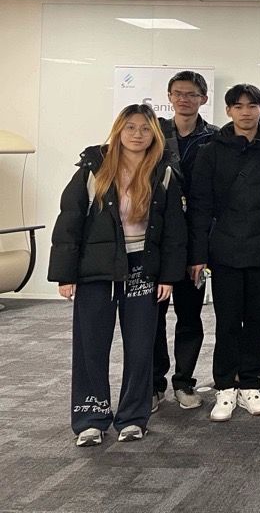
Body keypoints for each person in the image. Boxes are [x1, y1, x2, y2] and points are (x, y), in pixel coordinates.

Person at [50, 103, 187, 446]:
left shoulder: (164, 171)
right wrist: (65, 275)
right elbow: (69, 222)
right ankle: (90, 419)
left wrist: (168, 277)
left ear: (154, 133)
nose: (138, 135)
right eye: (131, 128)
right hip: (96, 269)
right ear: (118, 130)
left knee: (141, 346)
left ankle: (132, 418)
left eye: (145, 128)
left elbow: (174, 230)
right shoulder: (93, 168)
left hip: (143, 267)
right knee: (91, 344)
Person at [189, 84, 260, 423]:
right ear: (229, 110)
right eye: (239, 106)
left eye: (253, 106)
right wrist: (198, 254)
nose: (246, 112)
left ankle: (250, 384)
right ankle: (225, 386)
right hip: (225, 250)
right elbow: (200, 207)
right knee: (227, 320)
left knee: (257, 321)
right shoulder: (210, 151)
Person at [152, 71, 217, 413]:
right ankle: (153, 383)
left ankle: (184, 381)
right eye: (178, 93)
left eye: (192, 94)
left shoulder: (215, 138)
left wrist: (203, 250)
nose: (184, 99)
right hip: (158, 239)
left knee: (190, 315)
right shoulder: (154, 134)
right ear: (169, 96)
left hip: (195, 240)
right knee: (152, 316)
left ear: (204, 99)